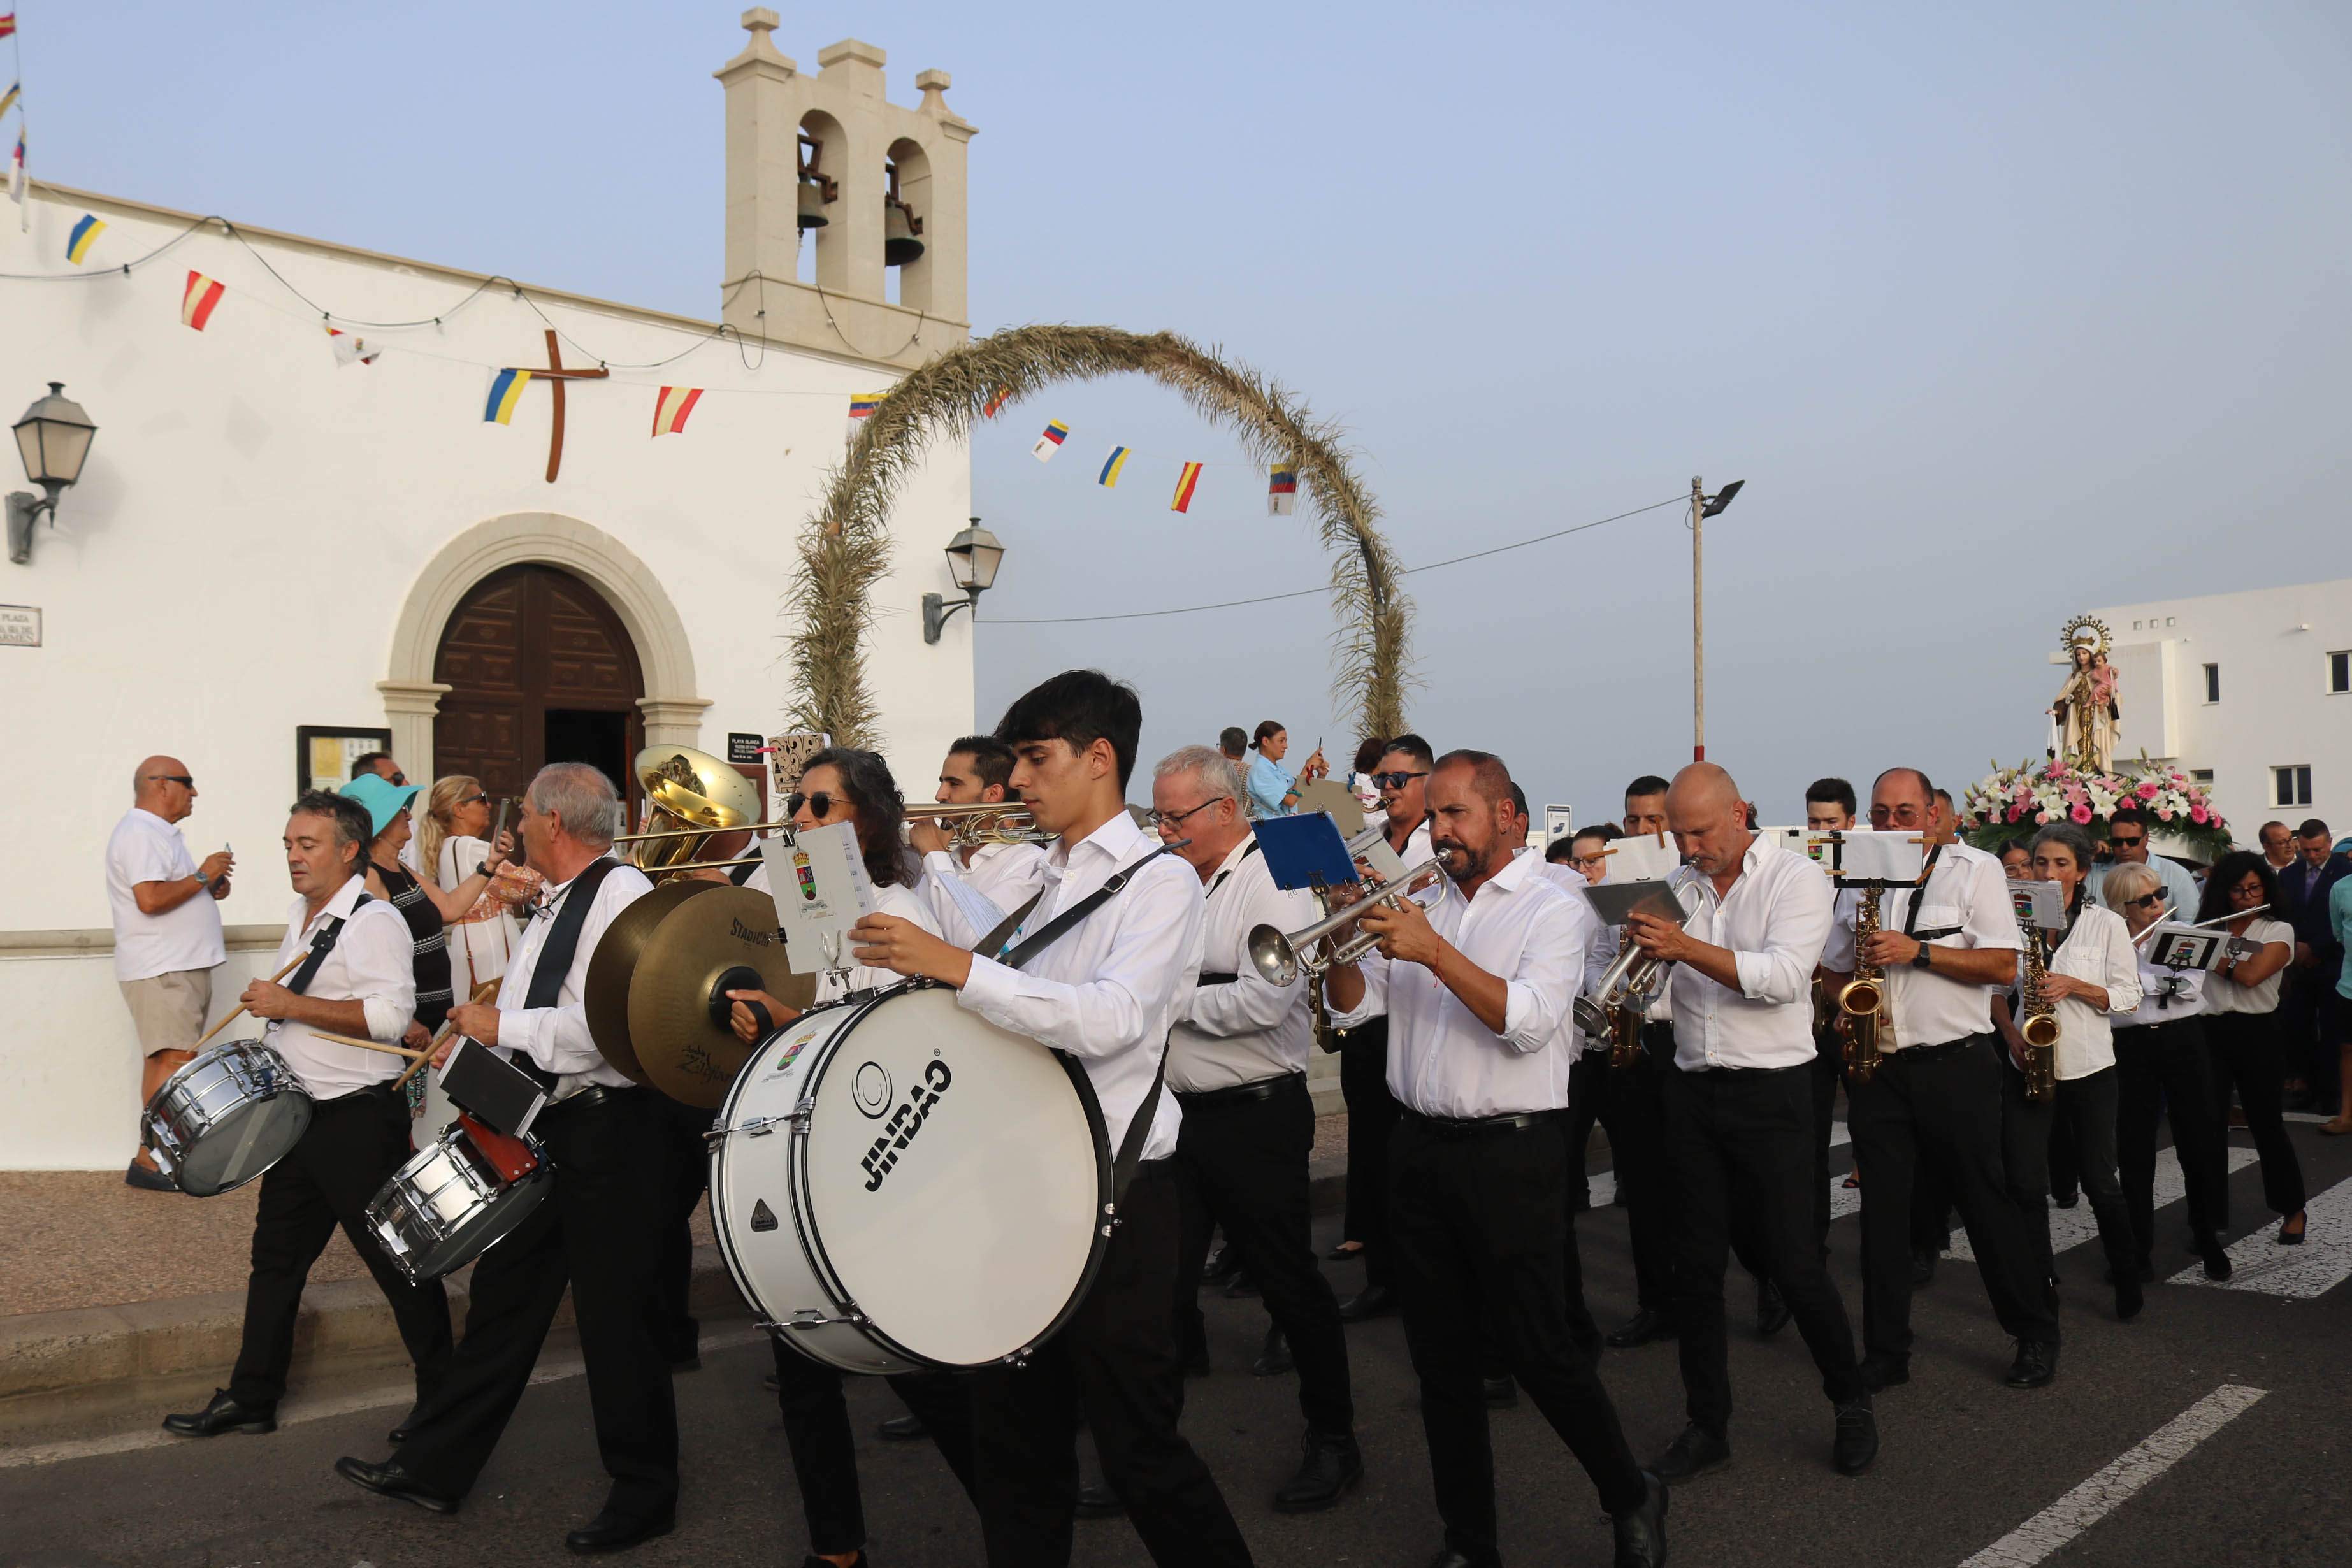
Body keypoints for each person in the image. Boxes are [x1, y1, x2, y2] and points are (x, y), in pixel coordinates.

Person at [844, 670, 1255, 1568]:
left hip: (1117, 1197)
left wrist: (955, 966)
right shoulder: (1045, 878)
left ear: (1098, 757)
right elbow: (998, 989)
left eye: (1035, 758)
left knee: (1139, 1452)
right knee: (1014, 1452)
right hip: (1022, 1193)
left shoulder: (1160, 883)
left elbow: (1112, 1018)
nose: (1018, 779)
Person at [1325, 748, 1666, 1568]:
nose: (1438, 830)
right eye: (1434, 815)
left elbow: (1531, 1022)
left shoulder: (1555, 904)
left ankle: (1629, 1491)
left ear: (1507, 816)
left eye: (1455, 814)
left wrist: (1431, 951)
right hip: (1418, 1147)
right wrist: (1339, 937)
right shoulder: (1423, 900)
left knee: (1538, 1349)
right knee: (1439, 1362)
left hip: (1511, 1152)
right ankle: (1469, 1541)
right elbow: (1355, 1008)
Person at [336, 763, 679, 1554]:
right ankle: (434, 1467)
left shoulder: (619, 896)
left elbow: (607, 1030)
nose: (516, 824)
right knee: (504, 1297)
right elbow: (538, 1008)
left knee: (616, 1319)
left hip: (610, 1135)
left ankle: (646, 1494)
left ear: (554, 822)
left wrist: (501, 1028)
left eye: (524, 813)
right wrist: (486, 1030)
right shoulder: (565, 894)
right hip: (555, 1128)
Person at [721, 747, 982, 1568]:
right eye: (797, 804)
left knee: (916, 1362)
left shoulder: (901, 907)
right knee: (801, 1356)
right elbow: (826, 1022)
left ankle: (1021, 1508)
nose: (799, 818)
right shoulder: (815, 899)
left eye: (819, 805)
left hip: (885, 1170)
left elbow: (910, 1045)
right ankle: (836, 1549)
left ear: (865, 818)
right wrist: (777, 1018)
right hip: (818, 1159)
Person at [161, 791, 453, 1439]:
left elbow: (389, 1015)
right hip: (299, 1117)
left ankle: (444, 1401)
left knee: (399, 1262)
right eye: (289, 844)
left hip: (356, 1121)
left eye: (307, 844)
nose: (293, 855)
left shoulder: (375, 921)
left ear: (349, 850)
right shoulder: (304, 914)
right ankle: (253, 1396)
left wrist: (289, 1005)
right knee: (275, 1259)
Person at [1624, 763, 1874, 1482]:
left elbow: (1784, 978)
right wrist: (1636, 967)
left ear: (1739, 814)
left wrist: (1683, 948)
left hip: (1775, 1093)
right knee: (1696, 1267)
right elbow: (1658, 997)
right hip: (1693, 1088)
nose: (1688, 847)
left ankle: (1849, 1399)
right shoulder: (1678, 886)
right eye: (1679, 834)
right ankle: (1707, 1424)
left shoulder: (1796, 878)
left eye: (1700, 831)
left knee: (1794, 1262)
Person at [1148, 744, 1361, 1512]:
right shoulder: (1178, 882)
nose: (1161, 829)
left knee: (1288, 1283)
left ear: (1226, 810)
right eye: (1157, 815)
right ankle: (1149, 1449)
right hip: (1180, 1118)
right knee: (1162, 1285)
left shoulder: (1273, 879)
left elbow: (1262, 1002)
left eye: (1173, 816)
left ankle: (1334, 1437)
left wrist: (1160, 1001)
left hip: (1255, 1117)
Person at [1819, 767, 2061, 1391]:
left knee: (1984, 1201)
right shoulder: (1857, 878)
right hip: (1879, 1067)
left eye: (1905, 812)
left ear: (1932, 815)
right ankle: (1886, 1351)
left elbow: (2001, 965)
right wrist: (1846, 1001)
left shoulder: (1974, 869)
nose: (1891, 824)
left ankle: (2034, 1331)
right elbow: (1831, 970)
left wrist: (1916, 951)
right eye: (1881, 813)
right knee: (1883, 1215)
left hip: (1956, 1064)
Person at [1986, 823, 2146, 1320]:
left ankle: (2126, 1272)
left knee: (2099, 1181)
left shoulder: (2106, 924)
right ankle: (2041, 1282)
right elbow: (1995, 991)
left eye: (2060, 864)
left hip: (2088, 1068)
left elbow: (2128, 995)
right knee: (2024, 1183)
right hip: (2027, 1063)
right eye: (2040, 863)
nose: (2048, 872)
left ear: (2081, 871)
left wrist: (2073, 984)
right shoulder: (2013, 922)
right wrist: (2010, 1035)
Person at [1334, 732, 1436, 1322]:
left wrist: (1409, 887)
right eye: (1381, 780)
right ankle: (1381, 1276)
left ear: (1425, 781)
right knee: (1371, 1147)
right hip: (1370, 1008)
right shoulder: (1367, 837)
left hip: (1419, 1007)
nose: (1387, 789)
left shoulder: (1437, 842)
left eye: (1397, 780)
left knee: (1415, 1160)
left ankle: (1422, 1276)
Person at [1594, 773, 1689, 1351]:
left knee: (1698, 1180)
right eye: (1633, 819)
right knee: (1644, 1181)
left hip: (1685, 1041)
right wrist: (1604, 990)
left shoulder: (1691, 880)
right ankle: (1657, 1301)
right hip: (1633, 1036)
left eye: (1654, 819)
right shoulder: (1615, 880)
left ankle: (1761, 1282)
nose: (1642, 828)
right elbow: (1596, 956)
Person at [2104, 861, 2233, 1280]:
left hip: (2183, 1039)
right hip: (2131, 1046)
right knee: (2134, 1148)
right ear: (2122, 906)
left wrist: (2136, 985)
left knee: (2197, 1141)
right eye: (2146, 900)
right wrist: (2145, 985)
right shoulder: (2106, 940)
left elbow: (2187, 989)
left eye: (2160, 894)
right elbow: (2105, 995)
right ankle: (2136, 1250)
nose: (2158, 904)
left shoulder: (2182, 934)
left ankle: (2206, 1236)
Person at [107, 756, 232, 1190]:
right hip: (165, 966)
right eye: (187, 782)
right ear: (160, 785)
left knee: (166, 1059)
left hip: (172, 965)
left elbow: (167, 892)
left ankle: (157, 1156)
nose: (194, 792)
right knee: (174, 1061)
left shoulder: (154, 833)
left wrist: (206, 886)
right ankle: (153, 1159)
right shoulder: (141, 832)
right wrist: (202, 875)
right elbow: (150, 899)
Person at [2196, 851, 2305, 1240]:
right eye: (2238, 890)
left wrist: (2204, 952)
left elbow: (2251, 976)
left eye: (2255, 889)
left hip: (2258, 1031)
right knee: (2208, 1127)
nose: (2246, 897)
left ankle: (2293, 1208)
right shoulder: (2209, 928)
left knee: (2267, 1125)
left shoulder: (2277, 930)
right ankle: (2210, 1219)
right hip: (2210, 1030)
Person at [340, 773, 464, 1054]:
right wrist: (408, 1022)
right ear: (381, 823)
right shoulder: (369, 877)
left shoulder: (401, 869)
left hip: (433, 1018)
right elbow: (369, 960)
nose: (409, 816)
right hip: (411, 1029)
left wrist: (489, 866)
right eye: (401, 810)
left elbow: (449, 909)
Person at [416, 776, 537, 1005]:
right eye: (482, 799)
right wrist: (533, 845)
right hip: (490, 948)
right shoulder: (469, 846)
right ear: (459, 809)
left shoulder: (447, 846)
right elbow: (526, 886)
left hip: (471, 946)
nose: (489, 805)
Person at [1803, 777, 1858, 1251]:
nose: (1821, 831)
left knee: (1874, 1131)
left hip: (1851, 1015)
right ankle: (1811, 1242)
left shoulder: (1866, 875)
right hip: (1807, 1023)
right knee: (1810, 1139)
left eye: (1831, 822)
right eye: (1814, 821)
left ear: (1851, 823)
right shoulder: (1799, 874)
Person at [913, 733, 1050, 919]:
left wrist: (933, 853)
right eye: (942, 783)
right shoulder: (946, 861)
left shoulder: (1029, 864)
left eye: (954, 784)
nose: (940, 795)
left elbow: (978, 933)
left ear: (992, 794)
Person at [2084, 807, 2200, 919]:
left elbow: (2190, 924)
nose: (2124, 847)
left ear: (2146, 839)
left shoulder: (2177, 874)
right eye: (2117, 842)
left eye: (2132, 841)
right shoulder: (2092, 873)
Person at [1243, 720, 1325, 819]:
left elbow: (1304, 796)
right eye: (1281, 741)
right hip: (1274, 826)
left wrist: (1319, 774)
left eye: (1286, 741)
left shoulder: (1280, 770)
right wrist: (1307, 768)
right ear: (1265, 741)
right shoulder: (1259, 770)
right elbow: (1290, 800)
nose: (1286, 746)